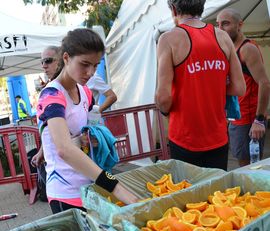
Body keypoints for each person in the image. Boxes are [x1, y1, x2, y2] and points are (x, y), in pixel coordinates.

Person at [36, 28, 138, 214]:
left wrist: (93, 136)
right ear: (66, 58)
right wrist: (115, 187)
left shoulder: (86, 92)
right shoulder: (51, 95)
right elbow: (64, 149)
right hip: (65, 193)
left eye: (95, 65)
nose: (90, 72)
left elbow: (91, 128)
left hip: (90, 185)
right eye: (84, 64)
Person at [155, 0, 246, 170]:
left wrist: (164, 110)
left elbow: (163, 97)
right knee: (217, 194)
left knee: (188, 194)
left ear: (174, 9)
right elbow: (240, 88)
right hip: (217, 136)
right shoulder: (222, 36)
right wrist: (212, 85)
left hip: (184, 137)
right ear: (201, 6)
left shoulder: (168, 39)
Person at [217, 9, 270, 167]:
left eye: (226, 23)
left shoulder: (247, 49)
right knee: (244, 164)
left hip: (248, 120)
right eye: (218, 24)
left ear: (240, 25)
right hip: (237, 117)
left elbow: (265, 83)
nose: (221, 28)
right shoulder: (229, 47)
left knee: (249, 168)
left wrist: (259, 120)